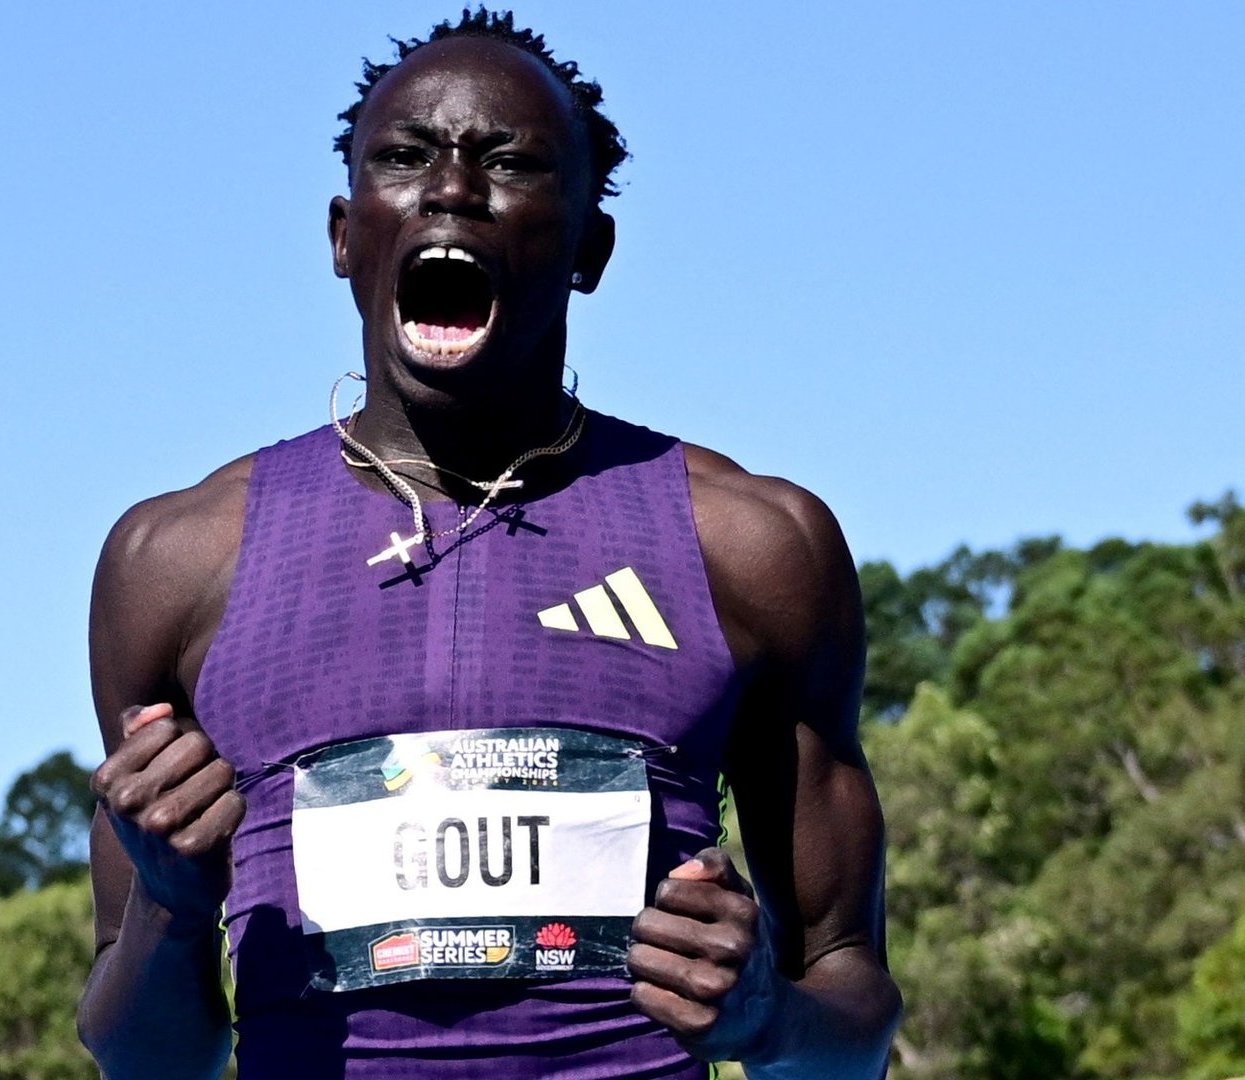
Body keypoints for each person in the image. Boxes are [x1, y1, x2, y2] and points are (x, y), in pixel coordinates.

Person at [76, 8, 901, 1078]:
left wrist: (771, 1021)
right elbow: (148, 1061)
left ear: (590, 248)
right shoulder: (174, 562)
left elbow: (853, 1026)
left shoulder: (752, 547)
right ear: (345, 235)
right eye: (406, 157)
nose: (453, 189)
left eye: (509, 162)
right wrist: (170, 909)